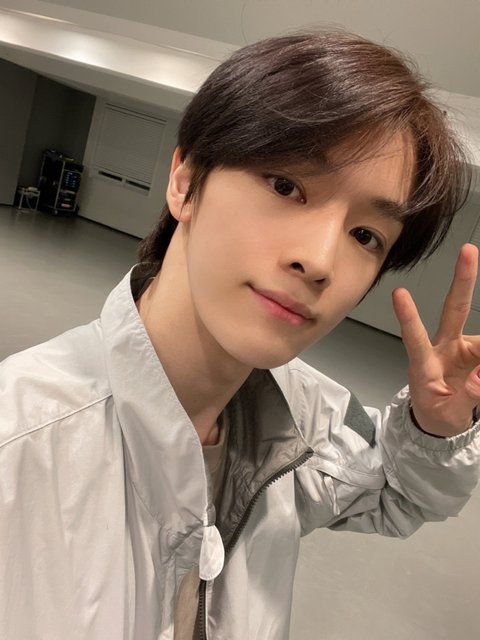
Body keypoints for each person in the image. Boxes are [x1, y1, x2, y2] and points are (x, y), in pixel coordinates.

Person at [1, 29, 480, 640]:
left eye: (366, 236)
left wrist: (434, 427)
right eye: (285, 186)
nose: (320, 261)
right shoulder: (18, 446)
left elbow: (395, 491)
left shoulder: (304, 415)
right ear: (186, 181)